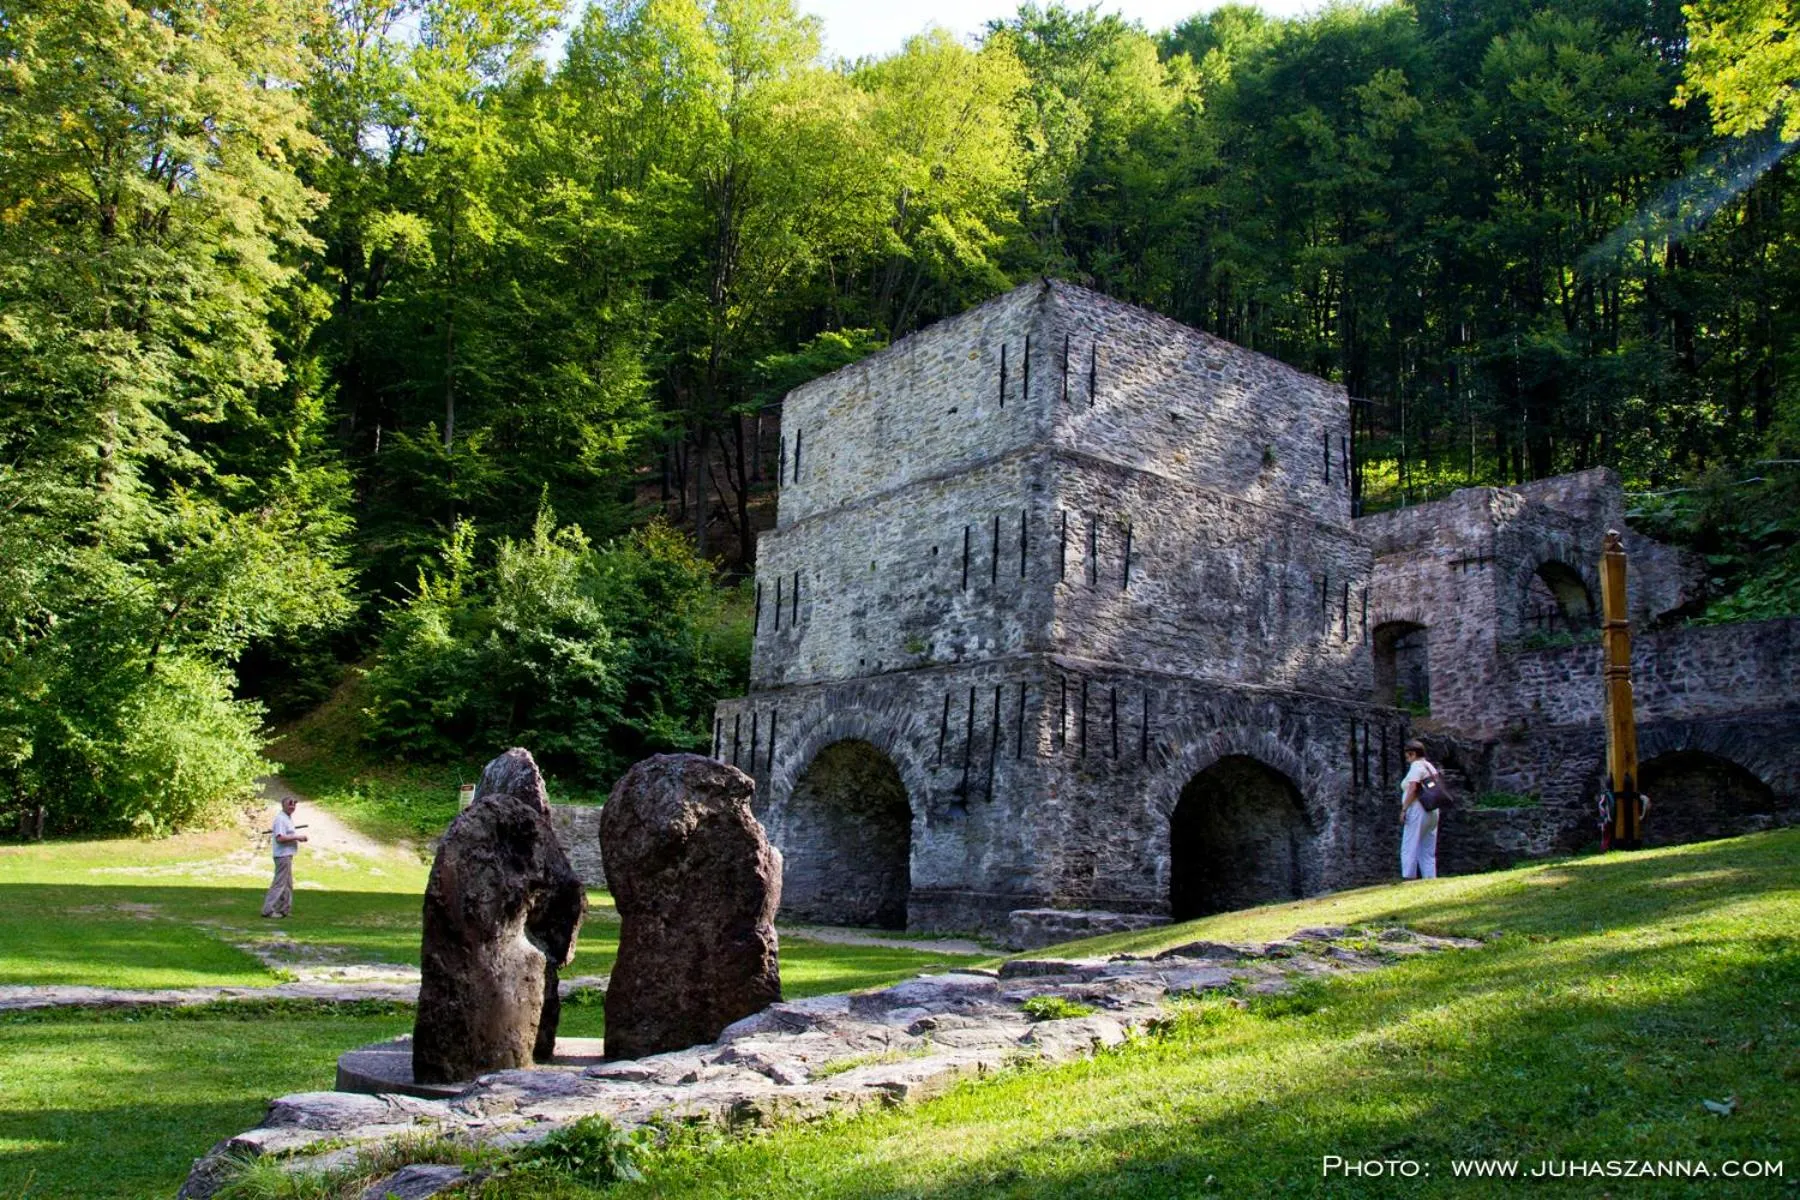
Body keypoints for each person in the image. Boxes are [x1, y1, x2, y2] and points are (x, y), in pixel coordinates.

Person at [1399, 739, 1440, 880]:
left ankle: (1408, 876)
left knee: (1410, 843)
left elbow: (1413, 788)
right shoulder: (1430, 766)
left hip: (1418, 808)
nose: (1407, 759)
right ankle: (1429, 876)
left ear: (1412, 754)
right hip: (1433, 808)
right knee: (1427, 845)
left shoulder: (1416, 766)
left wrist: (1404, 809)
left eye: (1407, 755)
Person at [261, 795, 307, 918]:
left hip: (288, 855)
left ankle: (284, 910)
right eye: (290, 803)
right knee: (279, 884)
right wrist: (297, 837)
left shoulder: (287, 818)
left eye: (294, 804)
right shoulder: (280, 819)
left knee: (288, 885)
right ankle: (268, 910)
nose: (292, 806)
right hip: (282, 855)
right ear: (284, 805)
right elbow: (280, 838)